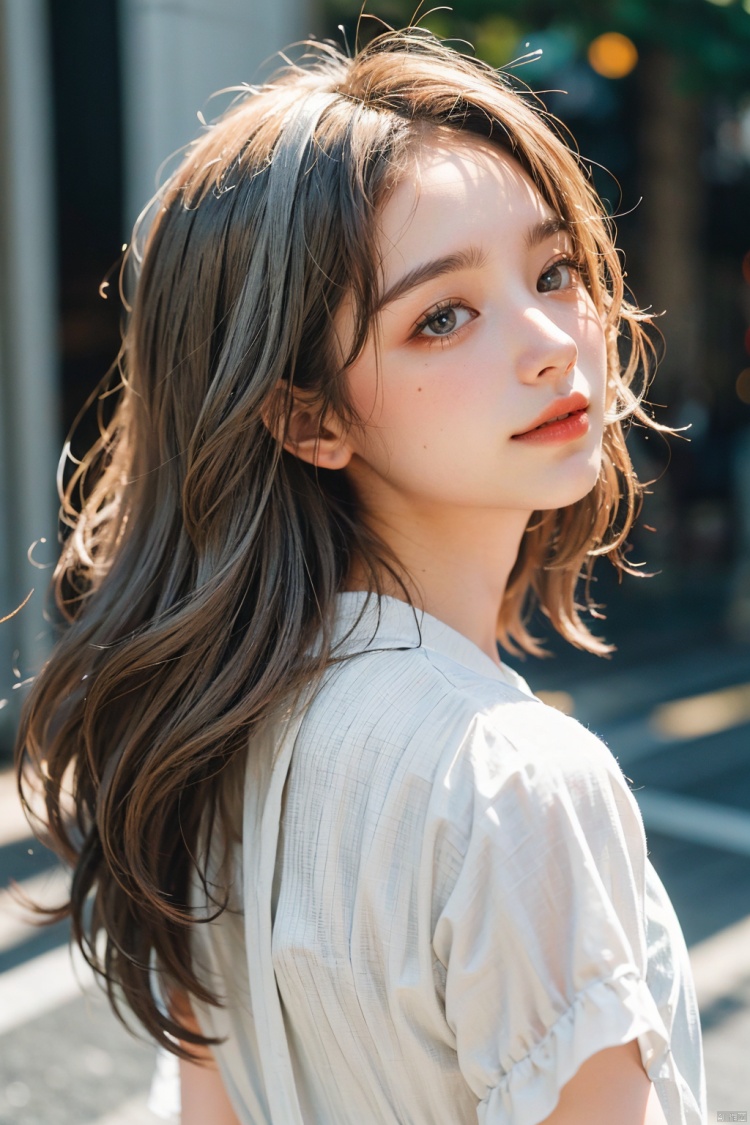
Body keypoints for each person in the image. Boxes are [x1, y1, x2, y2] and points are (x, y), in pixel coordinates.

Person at [16, 27, 705, 1125]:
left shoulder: (212, 732)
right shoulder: (516, 784)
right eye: (442, 317)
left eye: (555, 270)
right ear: (307, 415)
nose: (549, 341)